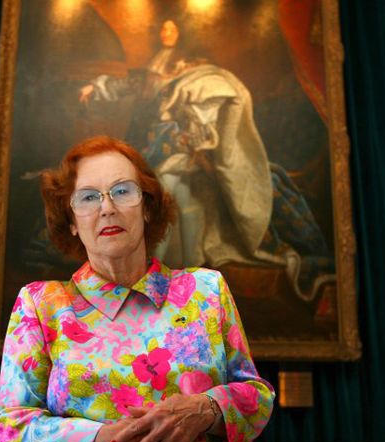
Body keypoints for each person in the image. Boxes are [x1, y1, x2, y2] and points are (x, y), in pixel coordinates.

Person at [0, 136, 274, 442]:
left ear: (148, 207)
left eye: (123, 191)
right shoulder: (40, 305)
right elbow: (12, 423)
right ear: (72, 222)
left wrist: (205, 408)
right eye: (88, 197)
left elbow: (256, 396)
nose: (107, 207)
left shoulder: (207, 290)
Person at [79, 20, 334, 302]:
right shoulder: (164, 73)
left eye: (172, 29)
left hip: (200, 159)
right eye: (162, 29)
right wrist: (98, 87)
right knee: (154, 181)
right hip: (171, 152)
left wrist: (196, 151)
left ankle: (169, 276)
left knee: (176, 183)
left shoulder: (205, 78)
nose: (166, 34)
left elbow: (208, 134)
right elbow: (140, 87)